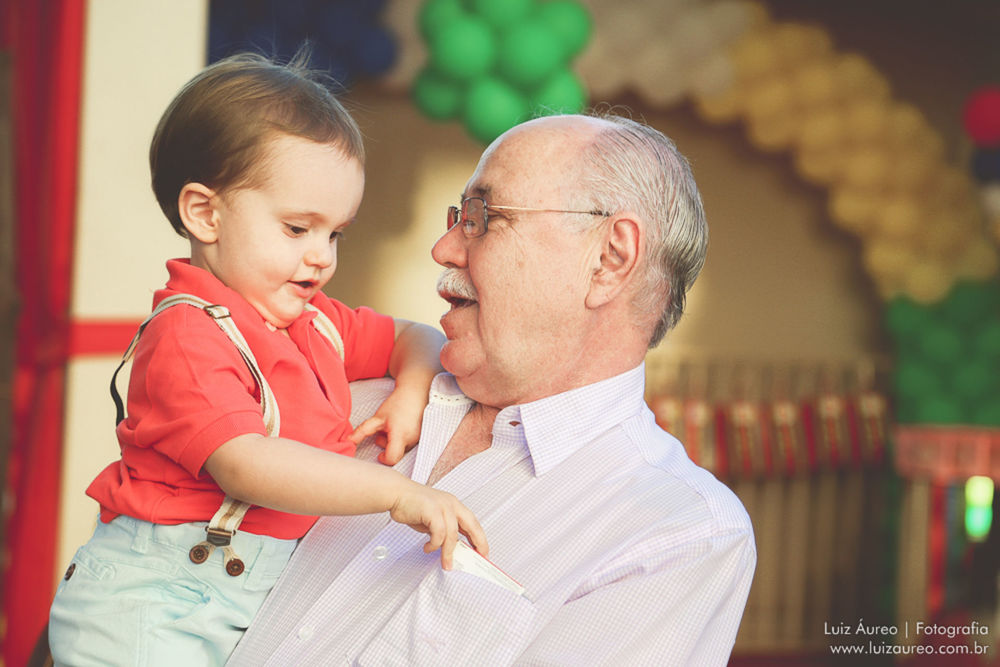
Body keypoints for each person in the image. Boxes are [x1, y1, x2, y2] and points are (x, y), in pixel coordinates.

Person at [229, 112, 756, 666]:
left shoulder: (674, 532)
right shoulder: (342, 395)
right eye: (458, 216)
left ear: (610, 258)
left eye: (481, 217)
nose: (444, 248)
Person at [47, 52, 487, 665]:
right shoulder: (187, 332)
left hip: (246, 601)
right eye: (297, 228)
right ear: (205, 214)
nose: (321, 257)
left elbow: (417, 336)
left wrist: (410, 394)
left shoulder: (315, 321)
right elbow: (247, 465)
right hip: (155, 605)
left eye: (334, 233)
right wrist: (394, 493)